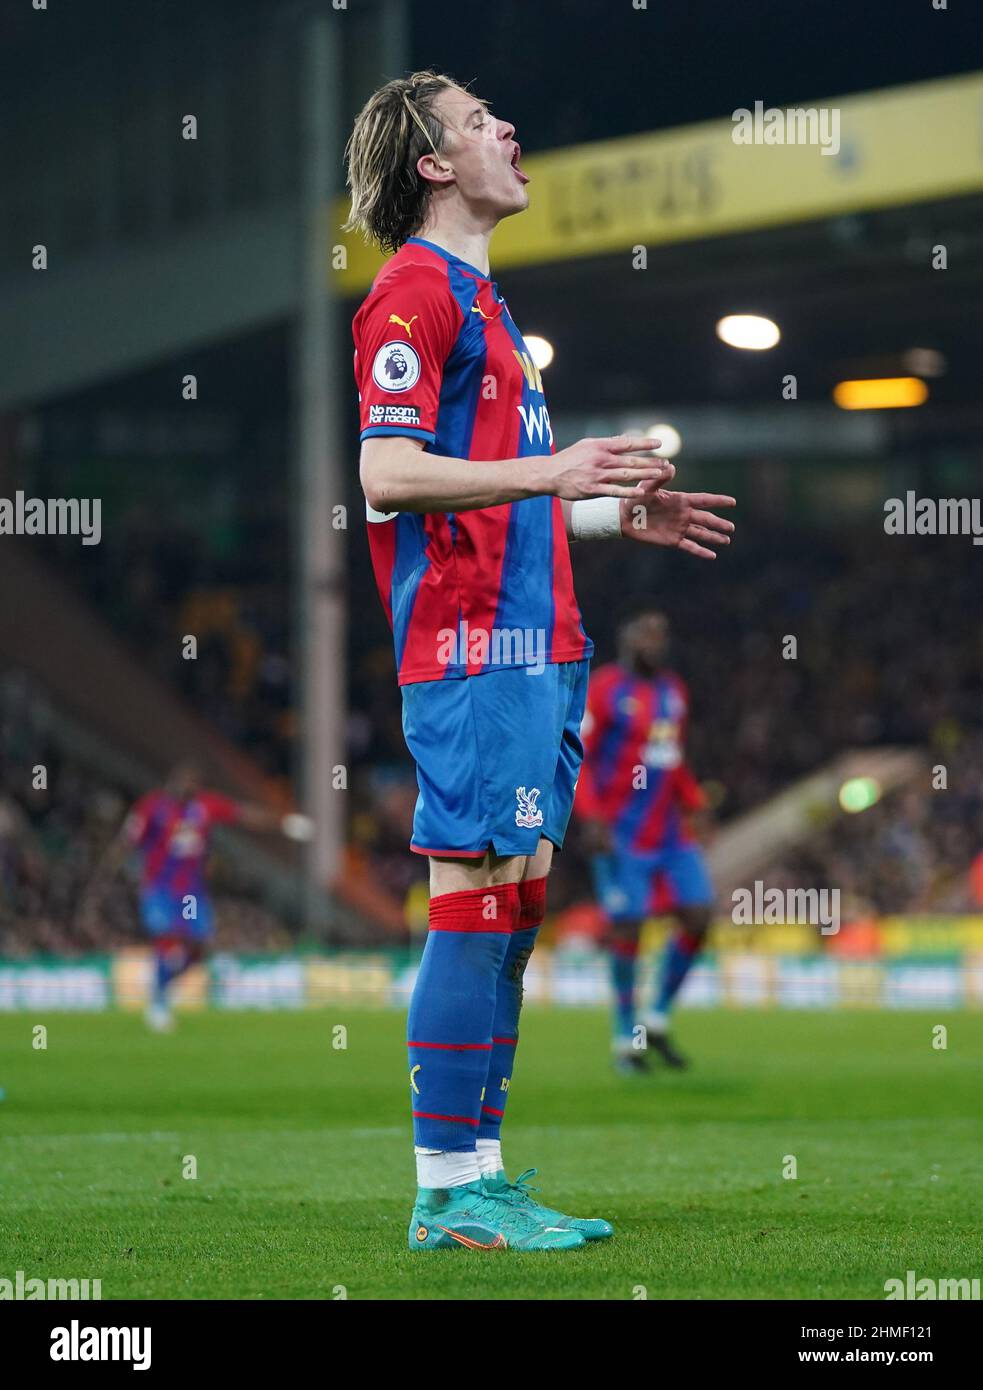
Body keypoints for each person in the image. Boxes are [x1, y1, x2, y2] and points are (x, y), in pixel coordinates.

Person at [346, 71, 735, 1252]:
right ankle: (446, 1191)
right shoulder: (412, 291)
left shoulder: (485, 302)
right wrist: (552, 473)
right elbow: (386, 476)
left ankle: (479, 1175)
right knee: (471, 906)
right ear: (429, 163)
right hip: (470, 649)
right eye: (476, 122)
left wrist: (616, 520)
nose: (506, 130)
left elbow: (505, 500)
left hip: (537, 646)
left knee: (510, 909)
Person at [576, 611, 715, 1073]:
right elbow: (578, 756)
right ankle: (625, 1040)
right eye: (646, 634)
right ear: (627, 640)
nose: (655, 642)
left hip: (670, 832)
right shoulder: (604, 689)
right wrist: (591, 817)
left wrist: (694, 802)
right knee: (628, 926)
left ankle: (655, 1018)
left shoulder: (673, 692)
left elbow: (671, 759)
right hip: (621, 833)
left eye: (661, 634)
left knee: (698, 914)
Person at [88, 762, 310, 1031]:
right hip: (159, 889)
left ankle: (161, 984)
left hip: (191, 894)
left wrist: (285, 823)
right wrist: (104, 875)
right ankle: (158, 1005)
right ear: (172, 781)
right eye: (185, 782)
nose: (189, 788)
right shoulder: (152, 808)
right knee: (167, 936)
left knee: (197, 946)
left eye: (195, 784)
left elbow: (243, 814)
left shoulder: (204, 806)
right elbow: (126, 841)